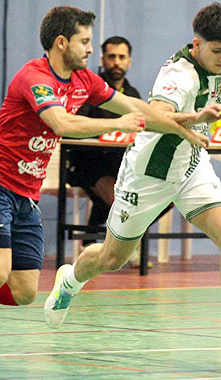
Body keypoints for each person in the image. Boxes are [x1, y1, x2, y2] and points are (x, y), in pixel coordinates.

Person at [0, 6, 210, 371]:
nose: (90, 50)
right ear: (61, 42)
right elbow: (60, 122)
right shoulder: (34, 77)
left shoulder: (84, 80)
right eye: (84, 41)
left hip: (26, 195)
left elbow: (133, 104)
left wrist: (180, 122)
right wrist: (120, 123)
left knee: (23, 292)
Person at [44, 2, 221, 359]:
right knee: (112, 258)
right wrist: (196, 116)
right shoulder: (177, 75)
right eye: (216, 51)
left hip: (191, 165)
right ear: (196, 45)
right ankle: (70, 280)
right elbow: (157, 116)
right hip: (149, 175)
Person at [68, 36, 150, 267]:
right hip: (87, 163)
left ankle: (94, 240)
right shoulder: (90, 88)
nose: (116, 62)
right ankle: (117, 246)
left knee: (160, 199)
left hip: (121, 165)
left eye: (121, 57)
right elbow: (76, 126)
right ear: (103, 59)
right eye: (111, 56)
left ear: (129, 61)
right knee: (117, 197)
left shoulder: (132, 94)